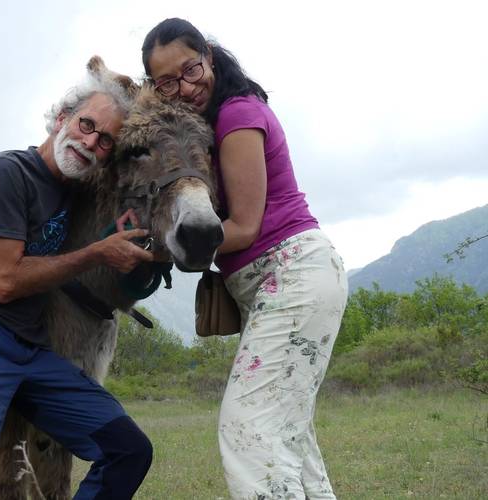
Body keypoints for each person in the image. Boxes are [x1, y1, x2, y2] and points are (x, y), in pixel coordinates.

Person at [0, 74, 155, 499]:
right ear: (60, 118)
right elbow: (5, 281)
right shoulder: (7, 172)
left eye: (106, 140)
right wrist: (97, 252)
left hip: (28, 350)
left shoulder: (70, 193)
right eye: (86, 125)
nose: (92, 142)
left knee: (128, 449)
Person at [141, 18, 348, 500]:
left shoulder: (235, 114)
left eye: (190, 71)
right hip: (292, 279)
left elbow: (244, 227)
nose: (184, 89)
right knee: (289, 435)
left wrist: (156, 252)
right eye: (165, 83)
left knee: (246, 429)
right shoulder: (213, 122)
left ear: (209, 57)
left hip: (291, 272)